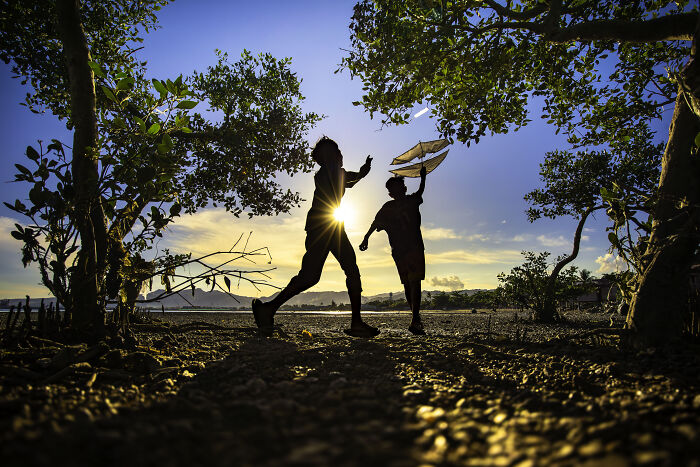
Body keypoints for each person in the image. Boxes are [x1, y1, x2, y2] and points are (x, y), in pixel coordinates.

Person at [252, 137, 380, 337]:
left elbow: (350, 180)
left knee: (318, 275)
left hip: (329, 225)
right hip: (326, 226)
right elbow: (349, 178)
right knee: (325, 274)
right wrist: (362, 173)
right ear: (330, 156)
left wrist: (363, 172)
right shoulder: (329, 172)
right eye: (336, 152)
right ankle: (268, 309)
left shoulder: (331, 173)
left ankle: (269, 309)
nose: (340, 155)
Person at [360, 166, 427, 335]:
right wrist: (366, 238)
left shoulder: (410, 201)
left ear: (403, 189)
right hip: (401, 251)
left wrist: (423, 177)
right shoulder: (389, 207)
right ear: (390, 194)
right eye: (392, 190)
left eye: (396, 188)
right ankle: (415, 318)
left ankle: (415, 318)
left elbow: (420, 191)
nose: (394, 192)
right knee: (408, 283)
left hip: (412, 249)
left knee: (413, 282)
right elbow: (376, 223)